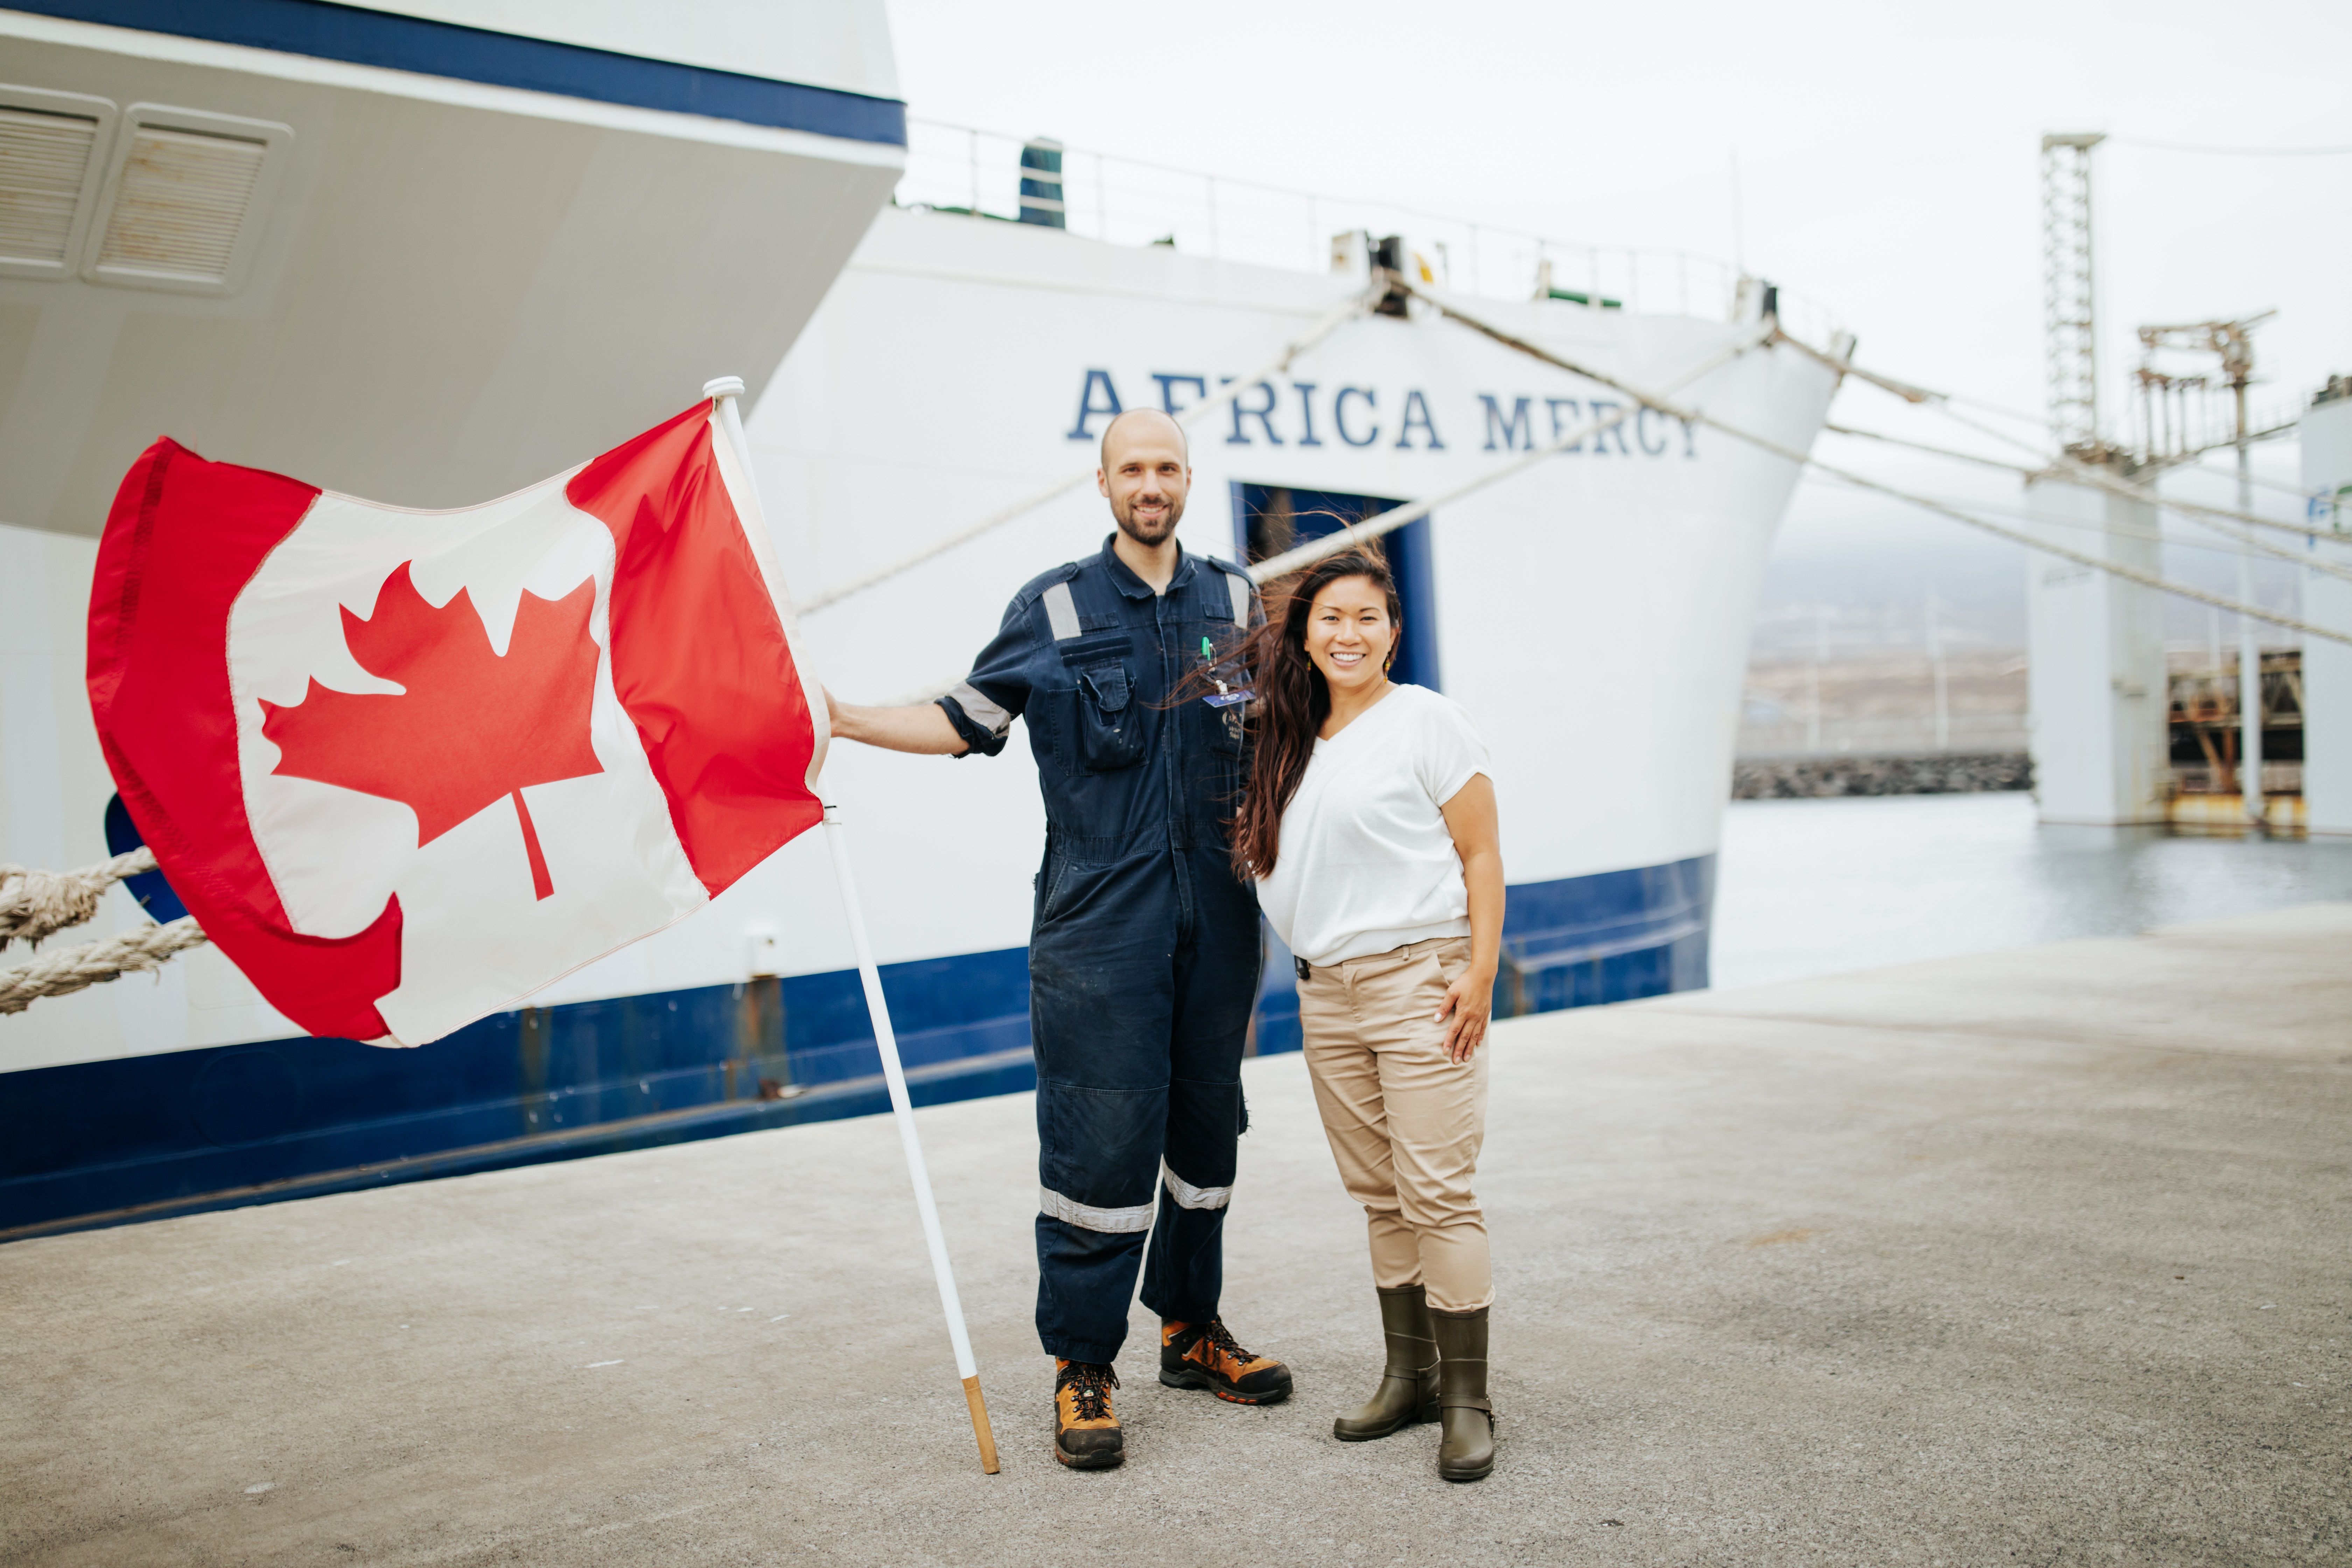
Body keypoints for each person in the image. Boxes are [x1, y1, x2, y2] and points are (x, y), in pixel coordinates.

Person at [825, 407, 1291, 1471]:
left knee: (1207, 1137)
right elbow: (967, 718)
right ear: (1104, 482)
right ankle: (1083, 1366)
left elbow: (1280, 736)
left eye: (1168, 466)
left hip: (1219, 917)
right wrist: (845, 717)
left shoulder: (1236, 597)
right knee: (1099, 1145)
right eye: (1134, 468)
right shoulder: (1054, 605)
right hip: (1099, 929)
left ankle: (1190, 1327)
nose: (1152, 484)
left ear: (1188, 477)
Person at [1233, 545, 1504, 1483]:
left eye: (1367, 618)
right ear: (1305, 635)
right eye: (1330, 618)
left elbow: (1480, 854)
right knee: (1380, 1195)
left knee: (1439, 1192)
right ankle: (1410, 1376)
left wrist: (1480, 970)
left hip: (1418, 981)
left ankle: (1468, 1401)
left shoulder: (1428, 720)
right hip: (1327, 993)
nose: (1348, 634)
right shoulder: (1290, 739)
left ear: (1393, 633)